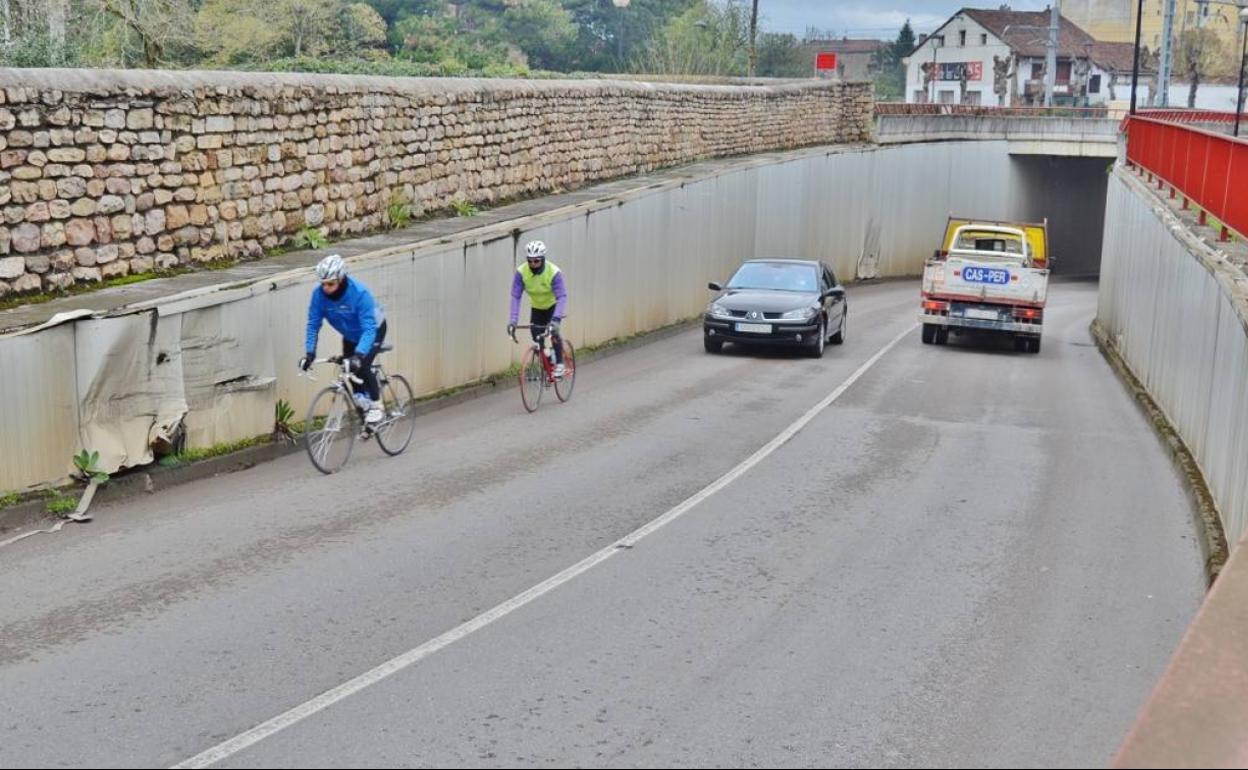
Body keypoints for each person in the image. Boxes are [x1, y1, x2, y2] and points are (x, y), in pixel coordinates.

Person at [299, 254, 388, 424]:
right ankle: (364, 403)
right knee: (348, 368)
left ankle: (377, 406)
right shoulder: (318, 296)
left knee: (362, 365)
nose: (326, 288)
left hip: (373, 330)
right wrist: (310, 353)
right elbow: (313, 324)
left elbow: (369, 329)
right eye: (322, 284)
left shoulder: (359, 294)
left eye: (330, 283)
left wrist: (360, 355)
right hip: (350, 335)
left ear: (341, 279)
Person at [507, 240, 568, 377]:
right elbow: (515, 296)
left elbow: (562, 296)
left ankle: (559, 363)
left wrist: (556, 319)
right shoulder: (521, 272)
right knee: (537, 337)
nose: (533, 264)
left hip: (553, 307)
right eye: (530, 261)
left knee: (553, 333)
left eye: (536, 261)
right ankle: (547, 360)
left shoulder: (553, 272)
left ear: (543, 259)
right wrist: (513, 320)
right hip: (537, 308)